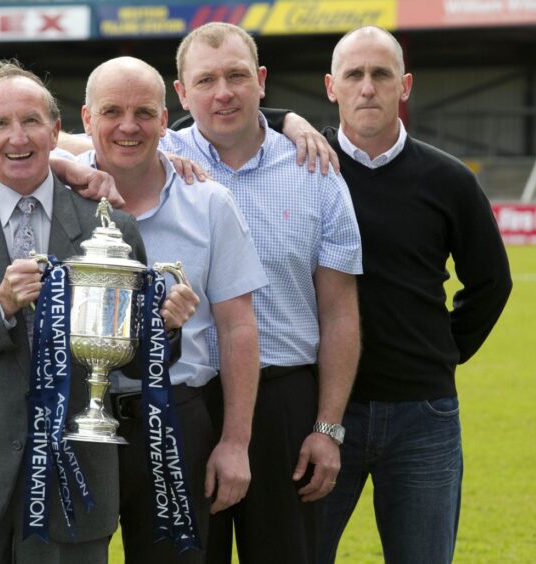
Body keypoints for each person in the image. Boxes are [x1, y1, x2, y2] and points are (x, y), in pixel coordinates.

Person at [0, 59, 195, 564]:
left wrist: (164, 326)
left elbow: (129, 361)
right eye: (0, 124)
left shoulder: (113, 230)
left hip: (73, 492)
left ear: (57, 130)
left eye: (31, 121)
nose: (17, 137)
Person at [163, 22, 363, 564]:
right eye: (205, 80)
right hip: (187, 401)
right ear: (181, 94)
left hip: (284, 406)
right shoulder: (151, 159)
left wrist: (328, 428)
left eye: (236, 76)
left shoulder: (315, 169)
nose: (222, 92)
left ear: (262, 81)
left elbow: (340, 310)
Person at [311, 26, 511, 563]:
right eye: (354, 75)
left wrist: (443, 351)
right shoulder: (303, 170)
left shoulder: (449, 180)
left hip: (423, 416)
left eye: (382, 74)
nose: (368, 87)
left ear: (406, 85)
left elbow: (491, 281)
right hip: (323, 413)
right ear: (332, 86)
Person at [76, 56, 267, 564]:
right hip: (72, 414)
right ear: (86, 120)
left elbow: (238, 327)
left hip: (177, 419)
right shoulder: (55, 195)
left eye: (144, 112)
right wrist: (56, 163)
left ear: (166, 120)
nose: (129, 126)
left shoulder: (209, 203)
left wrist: (235, 442)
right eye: (112, 111)